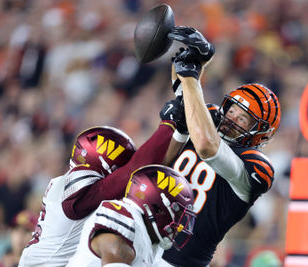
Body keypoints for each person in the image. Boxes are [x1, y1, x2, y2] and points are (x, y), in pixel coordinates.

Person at [159, 26, 282, 266]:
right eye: (233, 109)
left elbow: (207, 147)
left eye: (242, 118)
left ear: (259, 133)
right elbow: (182, 84)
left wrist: (193, 77)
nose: (231, 118)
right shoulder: (210, 121)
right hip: (149, 237)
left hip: (180, 261)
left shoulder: (254, 166)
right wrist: (198, 59)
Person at [18, 98, 186, 266]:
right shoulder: (74, 190)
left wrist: (180, 132)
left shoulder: (74, 189)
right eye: (119, 168)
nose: (120, 175)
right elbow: (135, 171)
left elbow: (149, 171)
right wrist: (168, 125)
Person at [66, 164, 196, 267]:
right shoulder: (123, 222)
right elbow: (116, 251)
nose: (179, 224)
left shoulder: (151, 241)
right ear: (158, 208)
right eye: (177, 215)